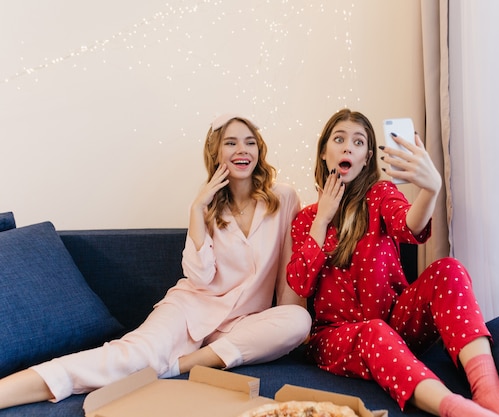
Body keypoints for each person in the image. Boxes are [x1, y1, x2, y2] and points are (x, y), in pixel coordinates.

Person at [0, 114, 311, 409]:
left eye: (250, 142)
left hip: (242, 325)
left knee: (297, 320)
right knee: (130, 356)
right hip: (190, 311)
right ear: (216, 153)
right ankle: (9, 392)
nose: (242, 150)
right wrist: (196, 212)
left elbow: (289, 278)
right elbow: (200, 279)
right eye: (231, 142)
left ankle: (177, 366)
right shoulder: (207, 208)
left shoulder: (283, 199)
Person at [286, 109, 499, 417]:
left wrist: (430, 189)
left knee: (448, 269)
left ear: (367, 157)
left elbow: (410, 225)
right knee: (374, 331)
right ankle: (459, 410)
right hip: (336, 337)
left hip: (396, 322)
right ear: (324, 153)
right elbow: (300, 283)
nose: (347, 147)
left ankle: (488, 391)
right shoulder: (305, 219)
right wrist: (322, 220)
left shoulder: (380, 195)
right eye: (339, 139)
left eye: (358, 143)